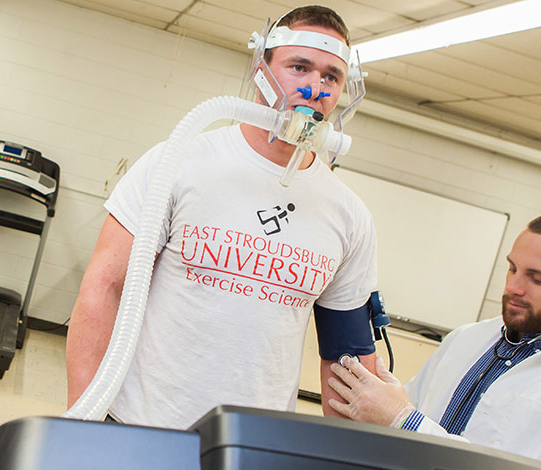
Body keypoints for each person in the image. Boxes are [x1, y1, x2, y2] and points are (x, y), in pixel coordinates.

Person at [66, 5, 380, 430]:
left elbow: (347, 360)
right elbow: (103, 288)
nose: (313, 89)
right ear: (261, 71)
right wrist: (80, 425)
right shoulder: (179, 162)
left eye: (330, 76)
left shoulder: (348, 216)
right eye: (299, 67)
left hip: (255, 443)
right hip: (142, 425)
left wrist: (355, 452)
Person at [327, 210, 541, 469]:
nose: (514, 287)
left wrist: (405, 421)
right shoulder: (467, 339)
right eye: (513, 269)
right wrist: (382, 407)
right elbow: (402, 421)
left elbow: (408, 422)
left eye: (537, 278)